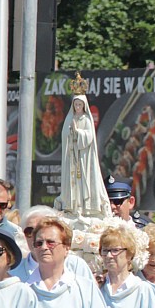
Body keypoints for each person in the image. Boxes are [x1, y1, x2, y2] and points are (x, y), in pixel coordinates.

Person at [56, 80, 113, 219]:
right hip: (72, 156)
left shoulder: (87, 120)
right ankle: (73, 206)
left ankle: (86, 207)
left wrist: (78, 132)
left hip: (84, 157)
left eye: (80, 104)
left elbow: (89, 137)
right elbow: (64, 135)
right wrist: (71, 133)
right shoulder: (70, 119)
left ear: (84, 105)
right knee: (73, 181)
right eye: (75, 104)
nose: (77, 107)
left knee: (84, 181)